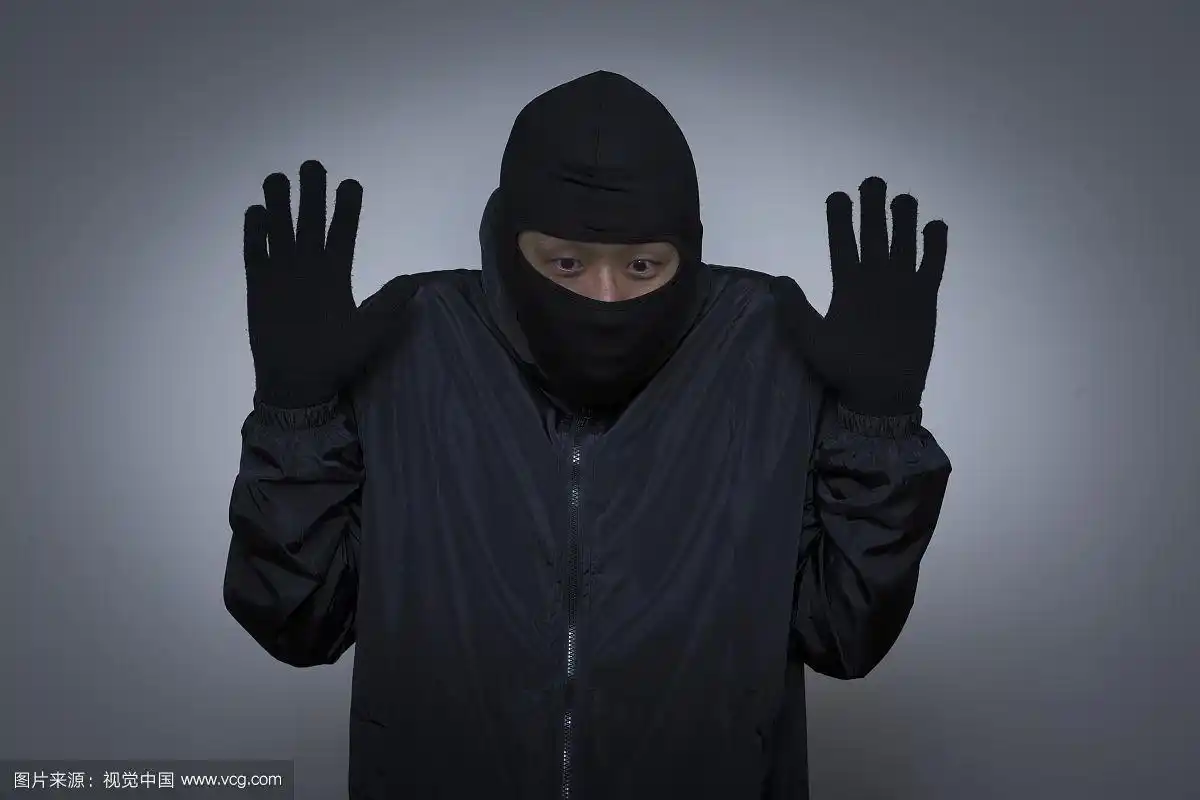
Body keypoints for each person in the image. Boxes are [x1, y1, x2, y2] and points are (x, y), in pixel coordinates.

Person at [223, 70, 953, 800]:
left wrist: (877, 426)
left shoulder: (765, 351)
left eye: (642, 266)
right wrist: (298, 416)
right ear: (511, 244)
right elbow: (300, 623)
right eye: (566, 263)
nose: (605, 298)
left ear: (687, 250)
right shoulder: (411, 345)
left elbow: (845, 635)